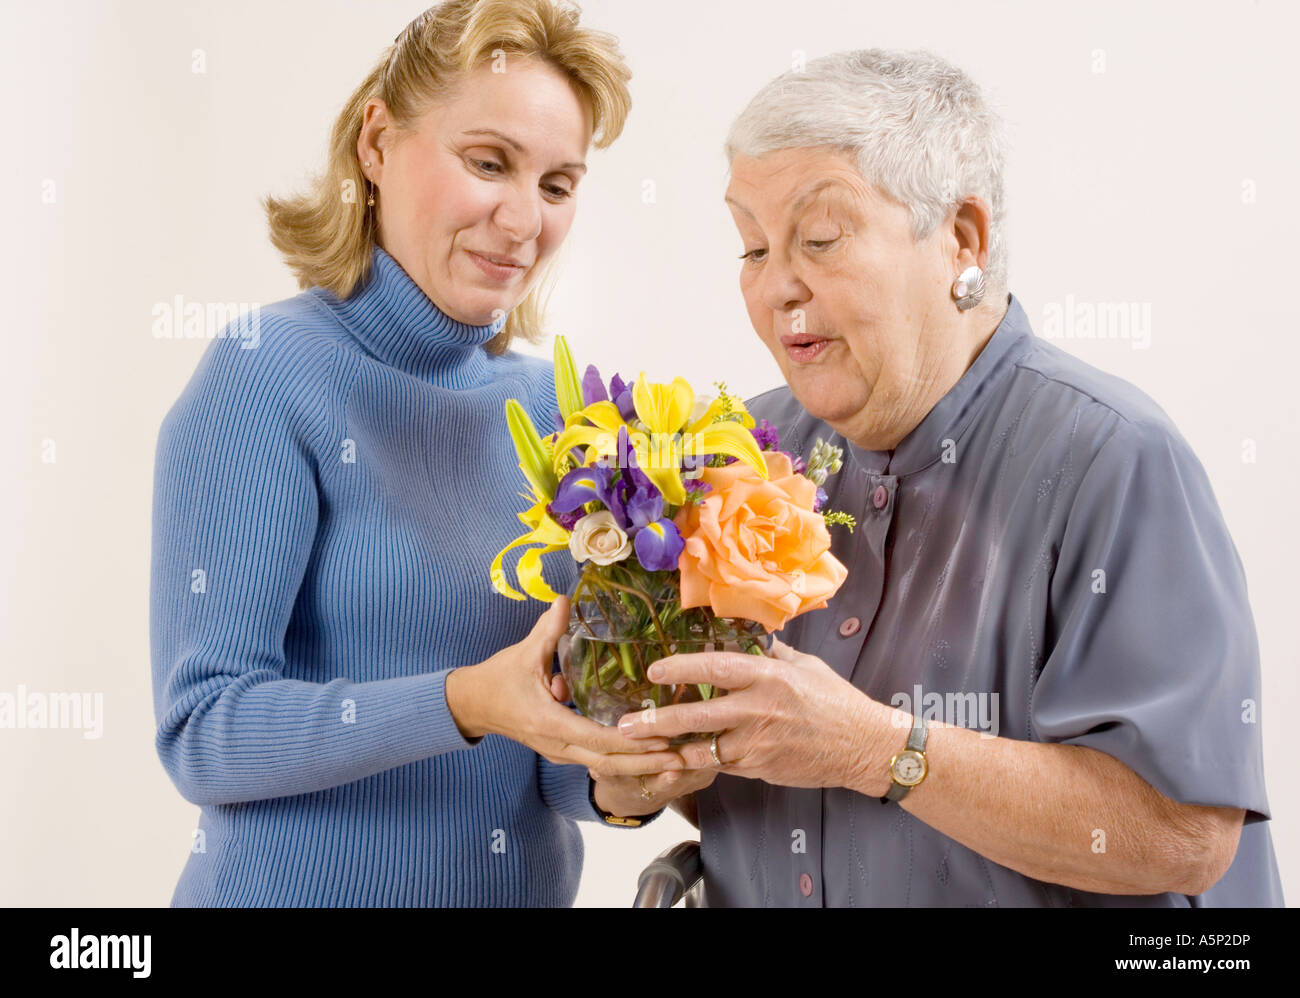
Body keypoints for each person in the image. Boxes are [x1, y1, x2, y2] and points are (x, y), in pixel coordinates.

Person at [610, 48, 1285, 907]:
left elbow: (1181, 836)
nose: (777, 285)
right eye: (751, 247)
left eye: (819, 239)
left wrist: (872, 746)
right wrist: (634, 764)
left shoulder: (1113, 458)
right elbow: (735, 783)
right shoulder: (741, 450)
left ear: (961, 239)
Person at [149, 0, 680, 908]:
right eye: (488, 163)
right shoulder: (267, 375)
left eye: (557, 185)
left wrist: (617, 780)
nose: (522, 221)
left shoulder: (553, 406)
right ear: (377, 144)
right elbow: (204, 733)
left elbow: (544, 737)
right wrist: (464, 701)